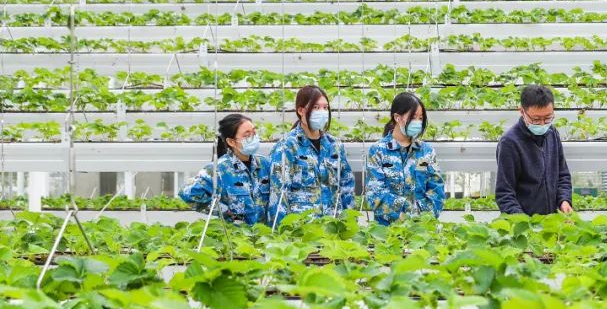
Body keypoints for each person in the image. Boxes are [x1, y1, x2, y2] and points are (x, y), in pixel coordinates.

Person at [268, 85, 355, 226]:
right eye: (315, 107)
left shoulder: (335, 146)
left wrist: (350, 223)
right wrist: (283, 231)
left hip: (333, 226)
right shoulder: (287, 146)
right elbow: (278, 194)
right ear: (301, 110)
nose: (322, 112)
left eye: (325, 108)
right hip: (302, 229)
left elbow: (347, 186)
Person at [365, 92, 445, 225]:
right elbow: (375, 193)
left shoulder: (426, 151)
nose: (418, 122)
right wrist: (403, 213)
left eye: (420, 118)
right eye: (413, 117)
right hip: (387, 231)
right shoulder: (378, 150)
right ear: (397, 117)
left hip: (421, 230)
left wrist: (419, 217)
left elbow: (436, 191)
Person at [495, 84, 573, 216]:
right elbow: (505, 193)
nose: (543, 124)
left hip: (552, 222)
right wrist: (524, 224)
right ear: (522, 112)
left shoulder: (552, 133)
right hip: (525, 227)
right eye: (536, 119)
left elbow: (563, 175)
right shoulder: (510, 143)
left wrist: (564, 200)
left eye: (548, 118)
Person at [179, 114, 270, 226]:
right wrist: (225, 212)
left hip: (265, 236)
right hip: (236, 238)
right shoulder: (219, 169)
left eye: (254, 133)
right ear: (231, 142)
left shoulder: (265, 164)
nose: (253, 138)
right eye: (247, 135)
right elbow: (188, 194)